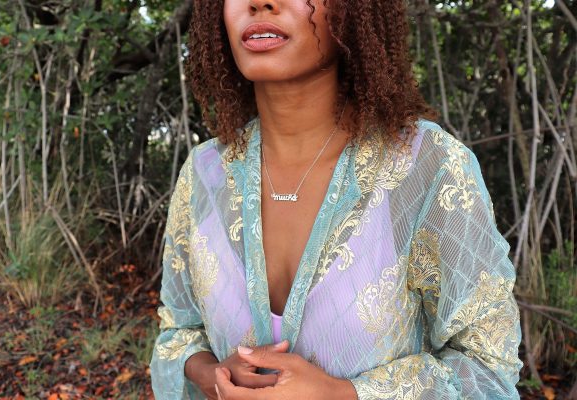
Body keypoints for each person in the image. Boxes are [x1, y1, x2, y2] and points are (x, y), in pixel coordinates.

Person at [149, 0, 523, 399]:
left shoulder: (427, 168)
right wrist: (210, 375)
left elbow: (488, 370)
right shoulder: (204, 173)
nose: (260, 2)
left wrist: (343, 394)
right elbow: (178, 332)